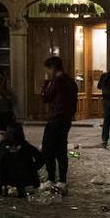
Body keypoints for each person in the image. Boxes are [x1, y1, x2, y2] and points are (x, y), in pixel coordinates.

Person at [41, 56, 79, 190]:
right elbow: (74, 102)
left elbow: (46, 97)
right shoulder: (71, 82)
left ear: (52, 68)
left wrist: (46, 83)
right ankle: (62, 180)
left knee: (48, 149)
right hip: (66, 120)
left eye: (48, 70)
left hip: (55, 119)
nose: (47, 73)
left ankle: (51, 178)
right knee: (61, 149)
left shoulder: (57, 82)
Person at [0, 122, 45, 198]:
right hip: (24, 177)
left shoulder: (2, 146)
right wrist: (32, 168)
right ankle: (21, 189)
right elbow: (40, 158)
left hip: (5, 176)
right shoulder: (25, 146)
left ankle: (3, 188)